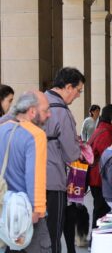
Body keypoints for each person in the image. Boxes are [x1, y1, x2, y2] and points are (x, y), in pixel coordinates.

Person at [0, 91, 51, 252]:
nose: (49, 115)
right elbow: (35, 176)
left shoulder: (2, 129)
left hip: (5, 212)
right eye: (45, 110)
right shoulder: (36, 135)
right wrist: (38, 210)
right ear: (32, 111)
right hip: (28, 213)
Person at [43, 67, 85, 253]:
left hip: (29, 179)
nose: (77, 96)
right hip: (53, 179)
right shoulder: (62, 112)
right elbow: (71, 154)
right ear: (68, 87)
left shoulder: (35, 103)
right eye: (78, 91)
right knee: (54, 233)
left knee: (35, 233)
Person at [88, 104, 112, 230]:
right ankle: (95, 240)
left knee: (100, 209)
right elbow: (109, 159)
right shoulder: (107, 134)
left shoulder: (101, 129)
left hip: (96, 177)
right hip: (99, 178)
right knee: (101, 210)